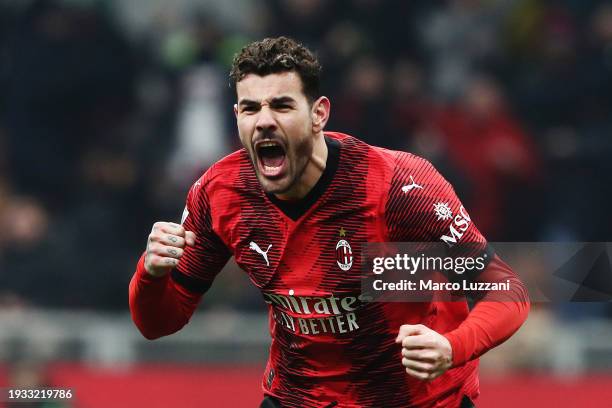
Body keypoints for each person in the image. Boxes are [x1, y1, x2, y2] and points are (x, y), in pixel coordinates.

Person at [129, 37, 529, 408]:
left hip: (417, 401)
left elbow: (507, 291)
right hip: (298, 397)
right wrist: (150, 273)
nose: (264, 121)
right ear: (236, 116)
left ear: (319, 113)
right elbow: (159, 323)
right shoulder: (220, 193)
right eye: (250, 108)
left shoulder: (397, 185)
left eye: (282, 106)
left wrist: (452, 347)